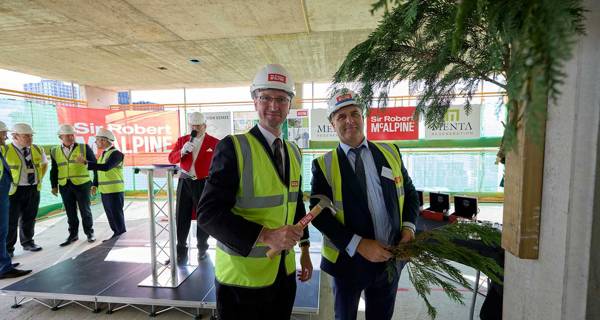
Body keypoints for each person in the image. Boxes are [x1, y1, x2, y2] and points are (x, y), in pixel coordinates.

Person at [197, 64, 313, 320]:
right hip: (242, 280)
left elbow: (295, 205)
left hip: (283, 274)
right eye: (266, 98)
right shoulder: (234, 147)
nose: (274, 105)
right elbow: (208, 214)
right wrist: (266, 235)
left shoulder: (294, 152)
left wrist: (305, 251)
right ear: (254, 101)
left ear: (289, 104)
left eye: (282, 99)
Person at [310, 89, 420, 320]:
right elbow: (319, 214)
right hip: (347, 264)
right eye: (341, 116)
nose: (349, 120)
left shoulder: (390, 152)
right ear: (332, 124)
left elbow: (409, 193)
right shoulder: (324, 165)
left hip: (390, 259)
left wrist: (408, 231)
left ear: (363, 117)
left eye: (354, 113)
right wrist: (358, 244)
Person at [168, 112, 219, 263]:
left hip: (204, 182)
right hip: (185, 181)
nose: (195, 128)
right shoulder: (183, 140)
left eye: (198, 126)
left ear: (205, 126)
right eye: (193, 126)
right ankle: (181, 249)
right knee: (181, 216)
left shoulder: (215, 142)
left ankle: (202, 247)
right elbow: (171, 158)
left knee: (203, 216)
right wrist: (182, 151)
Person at [3, 123, 48, 256]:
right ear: (15, 136)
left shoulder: (37, 149)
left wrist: (36, 181)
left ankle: (28, 242)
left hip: (33, 189)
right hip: (14, 191)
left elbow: (44, 165)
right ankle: (8, 249)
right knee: (11, 221)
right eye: (26, 136)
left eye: (31, 136)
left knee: (29, 217)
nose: (30, 138)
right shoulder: (5, 150)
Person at [50, 124, 97, 246]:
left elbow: (95, 164)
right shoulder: (54, 150)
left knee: (85, 210)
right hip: (65, 185)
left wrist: (95, 183)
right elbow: (54, 169)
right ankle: (73, 235)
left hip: (82, 184)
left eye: (72, 135)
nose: (71, 137)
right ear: (61, 137)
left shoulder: (84, 147)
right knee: (70, 212)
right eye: (67, 135)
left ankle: (89, 233)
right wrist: (54, 185)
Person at [76, 128, 126, 242]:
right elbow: (99, 172)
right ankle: (116, 235)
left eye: (97, 140)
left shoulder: (117, 154)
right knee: (110, 215)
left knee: (116, 215)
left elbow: (106, 167)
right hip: (105, 191)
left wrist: (85, 162)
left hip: (114, 190)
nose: (96, 142)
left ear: (104, 140)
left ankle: (121, 237)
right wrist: (95, 185)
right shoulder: (103, 154)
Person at [0, 121, 32, 279]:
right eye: (2, 133)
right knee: (3, 230)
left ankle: (4, 262)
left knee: (3, 230)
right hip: (6, 195)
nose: (4, 136)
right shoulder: (6, 150)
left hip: (8, 193)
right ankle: (4, 267)